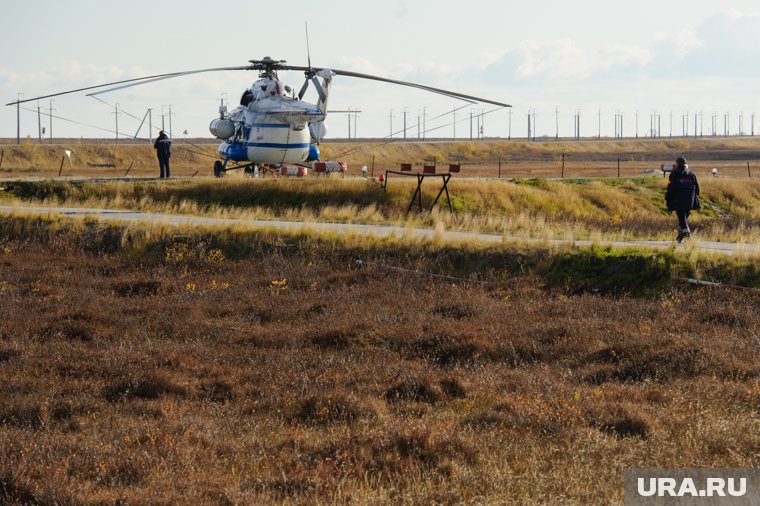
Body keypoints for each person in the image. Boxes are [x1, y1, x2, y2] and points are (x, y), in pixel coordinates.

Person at [665, 156, 700, 242]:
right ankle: (680, 236)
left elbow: (671, 187)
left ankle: (687, 233)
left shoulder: (674, 174)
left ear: (677, 164)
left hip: (678, 199)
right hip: (690, 200)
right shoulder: (692, 174)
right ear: (685, 164)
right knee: (683, 218)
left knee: (681, 217)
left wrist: (667, 197)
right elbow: (697, 189)